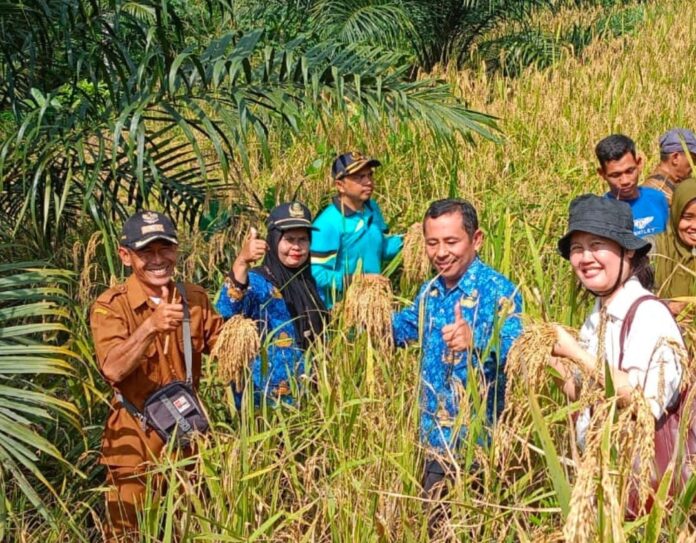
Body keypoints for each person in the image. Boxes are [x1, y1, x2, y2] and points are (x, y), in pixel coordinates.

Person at [90, 211, 223, 541]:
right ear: (125, 256)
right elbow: (113, 368)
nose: (158, 259)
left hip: (188, 439)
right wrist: (150, 326)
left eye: (165, 249)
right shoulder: (110, 307)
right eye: (146, 251)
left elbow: (227, 348)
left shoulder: (194, 298)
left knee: (189, 530)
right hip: (134, 442)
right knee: (127, 535)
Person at [391, 198, 523, 530]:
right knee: (435, 528)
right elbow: (406, 327)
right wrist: (370, 311)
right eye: (433, 243)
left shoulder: (497, 290)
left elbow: (517, 343)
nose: (440, 252)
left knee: (476, 529)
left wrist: (476, 340)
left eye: (451, 242)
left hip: (477, 443)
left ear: (476, 239)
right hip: (433, 437)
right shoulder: (430, 292)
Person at [550, 194, 684, 456]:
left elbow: (643, 405)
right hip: (601, 475)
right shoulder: (597, 314)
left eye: (597, 244)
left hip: (642, 483)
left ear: (628, 249)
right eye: (577, 248)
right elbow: (584, 394)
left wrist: (576, 354)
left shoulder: (648, 315)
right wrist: (549, 357)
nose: (585, 257)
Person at [216, 202, 327, 406]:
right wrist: (241, 262)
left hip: (308, 399)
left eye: (303, 239)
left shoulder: (310, 285)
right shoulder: (257, 283)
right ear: (273, 241)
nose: (296, 247)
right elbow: (227, 310)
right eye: (289, 239)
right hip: (264, 405)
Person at [310, 152, 403, 308]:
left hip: (374, 303)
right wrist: (358, 280)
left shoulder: (372, 208)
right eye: (359, 177)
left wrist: (413, 240)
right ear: (340, 185)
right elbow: (316, 272)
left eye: (369, 175)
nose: (368, 182)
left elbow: (381, 248)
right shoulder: (327, 224)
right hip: (343, 311)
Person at [595, 134, 668, 238]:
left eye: (630, 171)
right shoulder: (599, 212)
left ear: (638, 163)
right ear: (602, 173)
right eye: (615, 175)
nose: (625, 181)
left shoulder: (657, 198)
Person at [654, 177, 696, 316]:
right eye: (687, 217)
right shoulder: (654, 250)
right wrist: (667, 307)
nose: (694, 226)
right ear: (676, 214)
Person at [643, 128, 696, 204]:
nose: (693, 165)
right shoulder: (655, 192)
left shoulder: (675, 183)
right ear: (675, 157)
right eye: (693, 159)